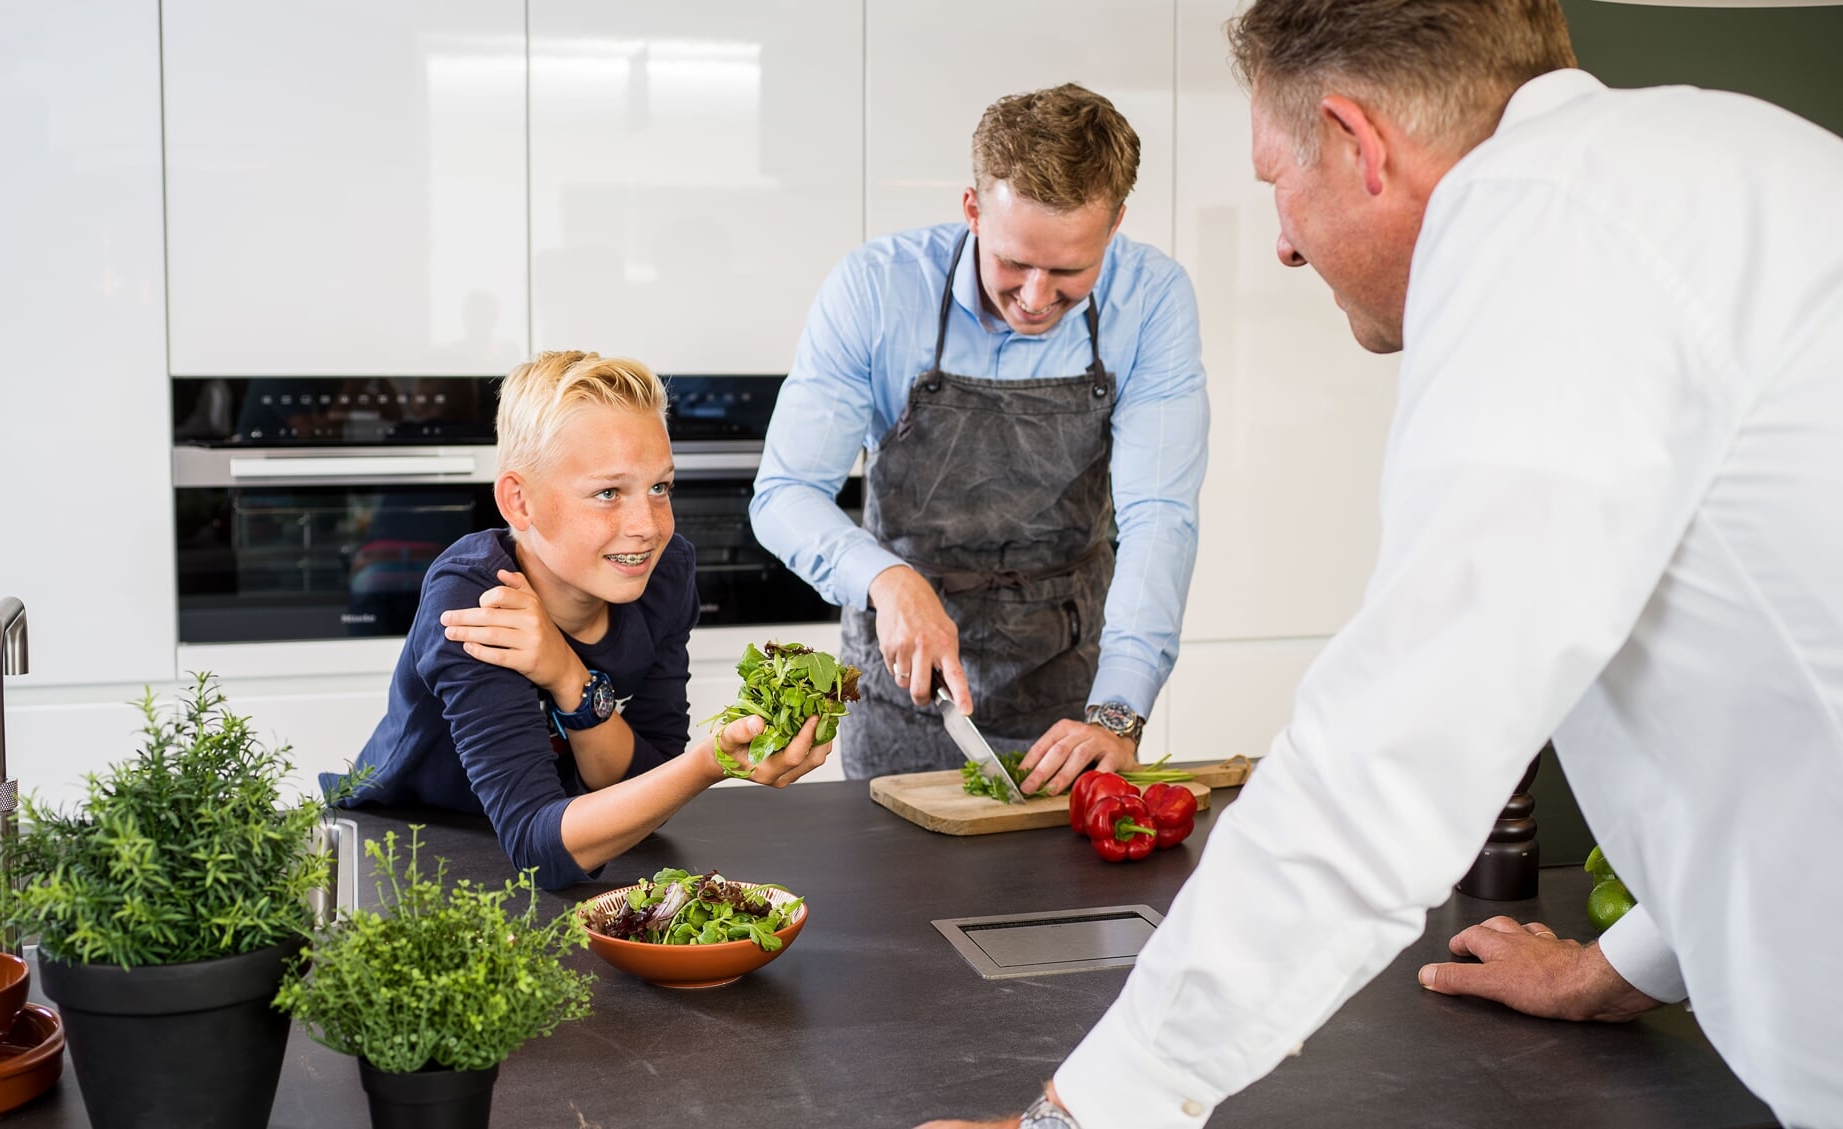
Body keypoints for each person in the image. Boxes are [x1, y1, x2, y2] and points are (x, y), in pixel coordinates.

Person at [918, 1, 1843, 1127]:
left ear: (1359, 143)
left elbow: (1387, 763)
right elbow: (1778, 706)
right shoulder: (1729, 161)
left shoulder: (1539, 224)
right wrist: (1625, 966)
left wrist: (1079, 1118)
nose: (1284, 241)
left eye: (1275, 182)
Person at [751, 83, 1209, 792]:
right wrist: (886, 578)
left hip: (1068, 690)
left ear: (1116, 223)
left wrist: (1119, 714)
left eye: (1067, 271)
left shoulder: (1152, 300)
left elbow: (1159, 517)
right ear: (971, 209)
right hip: (904, 690)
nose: (1034, 297)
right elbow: (785, 493)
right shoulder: (875, 290)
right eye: (1013, 261)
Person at [325, 351, 831, 889]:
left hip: (577, 841)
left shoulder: (665, 573)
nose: (647, 527)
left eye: (660, 487)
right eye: (608, 493)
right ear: (519, 503)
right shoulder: (477, 603)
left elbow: (644, 785)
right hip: (409, 851)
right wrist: (712, 763)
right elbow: (537, 848)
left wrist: (569, 677)